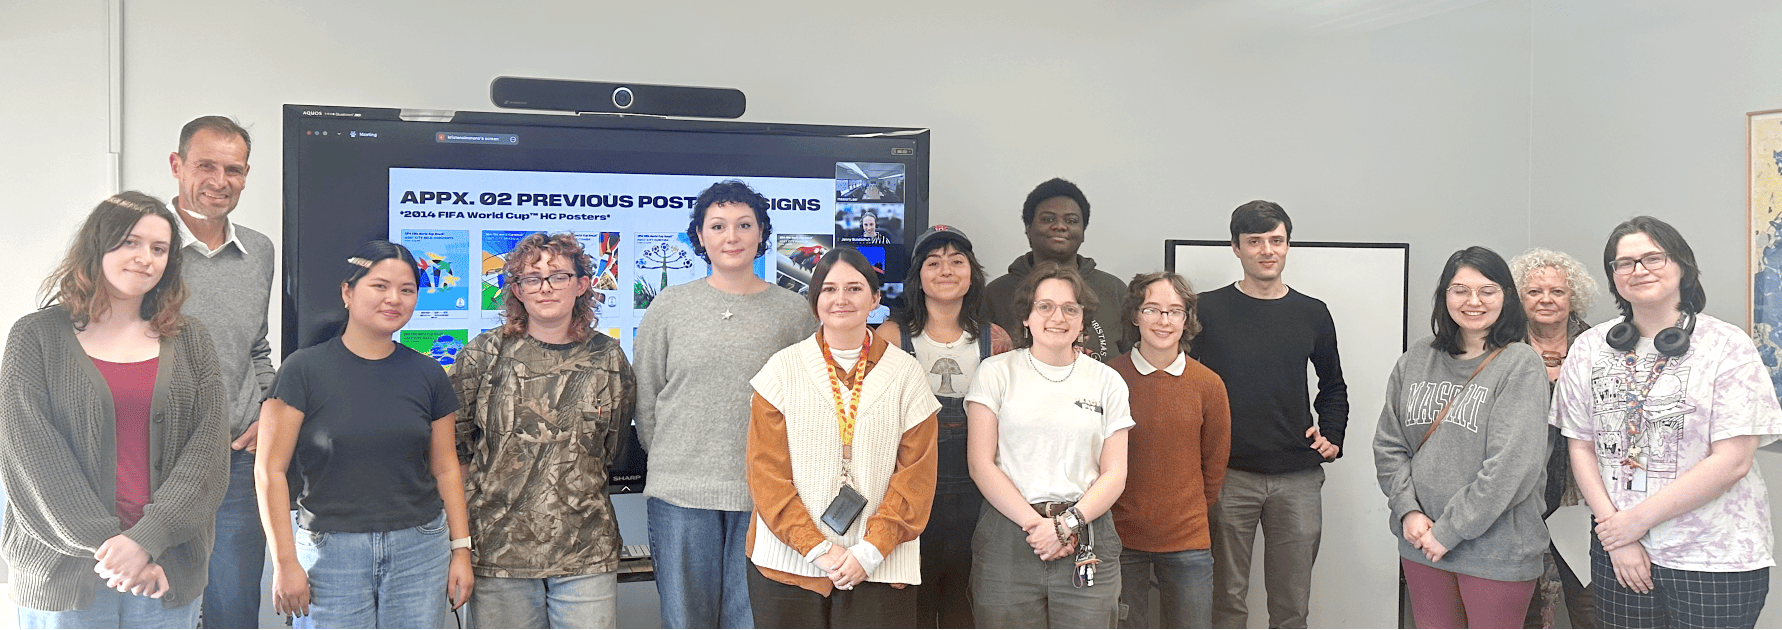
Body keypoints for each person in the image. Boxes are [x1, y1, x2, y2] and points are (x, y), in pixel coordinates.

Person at [0, 192, 227, 628]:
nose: (145, 258)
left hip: (166, 571)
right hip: (63, 575)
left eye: (159, 249)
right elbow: (31, 460)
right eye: (130, 242)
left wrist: (146, 541)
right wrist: (116, 550)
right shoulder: (36, 336)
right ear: (98, 245)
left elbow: (208, 454)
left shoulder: (192, 339)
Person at [1553, 216, 1781, 629]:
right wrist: (1616, 534)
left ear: (1682, 266)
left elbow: (1732, 461)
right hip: (1619, 551)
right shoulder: (1588, 348)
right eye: (1624, 263)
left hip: (1713, 556)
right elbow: (1580, 444)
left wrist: (1633, 523)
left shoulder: (1728, 346)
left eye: (1652, 257)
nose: (1638, 270)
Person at [255, 241, 474, 628]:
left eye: (407, 290)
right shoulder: (302, 370)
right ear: (347, 291)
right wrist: (285, 563)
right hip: (330, 553)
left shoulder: (429, 375)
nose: (394, 299)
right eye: (380, 286)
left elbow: (446, 469)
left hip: (420, 549)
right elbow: (269, 472)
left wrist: (461, 551)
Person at [633, 180, 818, 629]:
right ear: (699, 236)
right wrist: (676, 457)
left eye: (743, 225)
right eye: (717, 226)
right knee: (685, 621)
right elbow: (647, 397)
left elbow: (808, 401)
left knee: (751, 622)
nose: (730, 236)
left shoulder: (794, 311)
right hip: (680, 493)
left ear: (761, 234)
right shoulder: (669, 305)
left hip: (766, 494)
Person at [744, 247, 941, 628]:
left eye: (854, 288)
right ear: (814, 299)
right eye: (829, 289)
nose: (841, 299)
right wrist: (818, 549)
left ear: (875, 298)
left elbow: (915, 477)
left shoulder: (907, 374)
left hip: (881, 566)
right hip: (789, 565)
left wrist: (869, 552)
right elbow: (765, 473)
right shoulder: (781, 370)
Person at [451, 232, 635, 629]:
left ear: (583, 284)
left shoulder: (608, 357)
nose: (545, 288)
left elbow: (613, 447)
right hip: (498, 549)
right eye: (531, 279)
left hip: (585, 548)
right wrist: (460, 544)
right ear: (516, 290)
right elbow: (457, 449)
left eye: (559, 276)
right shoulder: (483, 354)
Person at [1374, 246, 1551, 629]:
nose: (1473, 301)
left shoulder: (1521, 364)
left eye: (1487, 290)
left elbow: (1510, 468)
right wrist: (1408, 510)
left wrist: (1449, 531)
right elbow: (1390, 445)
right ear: (1445, 296)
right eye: (1460, 290)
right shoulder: (1417, 357)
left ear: (1506, 296)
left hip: (1496, 552)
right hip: (1421, 542)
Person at [1190, 200, 1347, 629]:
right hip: (1227, 475)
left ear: (1288, 245)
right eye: (1254, 241)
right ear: (1236, 248)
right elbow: (1185, 387)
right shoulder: (1206, 310)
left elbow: (1333, 385)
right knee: (1226, 599)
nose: (1266, 250)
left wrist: (1332, 433)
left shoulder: (1312, 312)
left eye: (1276, 240)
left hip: (1296, 476)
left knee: (1292, 605)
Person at [967, 261, 1134, 628]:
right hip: (1009, 534)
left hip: (1086, 534)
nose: (1057, 317)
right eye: (1044, 306)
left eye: (1070, 308)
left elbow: (1115, 472)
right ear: (1026, 316)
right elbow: (981, 464)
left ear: (1082, 319)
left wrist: (1066, 524)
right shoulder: (996, 373)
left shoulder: (1107, 381)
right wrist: (1038, 526)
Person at [165, 115, 278, 630]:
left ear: (247, 174)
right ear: (177, 166)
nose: (219, 180)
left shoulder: (259, 251)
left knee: (234, 608)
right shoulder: (143, 247)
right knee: (160, 603)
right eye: (205, 165)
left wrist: (268, 412)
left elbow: (255, 344)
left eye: (233, 169)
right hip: (157, 456)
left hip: (235, 459)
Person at [874, 225, 1014, 628]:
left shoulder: (997, 341)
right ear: (918, 276)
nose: (946, 270)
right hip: (909, 495)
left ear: (972, 273)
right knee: (911, 606)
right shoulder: (891, 337)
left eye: (957, 261)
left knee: (967, 605)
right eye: (933, 263)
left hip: (979, 498)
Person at [1109, 272, 1231, 629]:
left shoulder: (1208, 385)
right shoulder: (1107, 378)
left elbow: (1214, 465)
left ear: (1186, 319)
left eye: (1174, 311)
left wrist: (1184, 510)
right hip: (1119, 539)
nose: (1164, 321)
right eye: (1152, 310)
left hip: (1187, 539)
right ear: (1135, 316)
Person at [1508, 247, 1598, 629]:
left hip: (1585, 498)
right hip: (1517, 499)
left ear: (1572, 296)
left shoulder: (1600, 347)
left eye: (1558, 291)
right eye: (1534, 291)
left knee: (1593, 610)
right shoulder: (1503, 348)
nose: (1546, 299)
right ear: (1519, 298)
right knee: (1521, 611)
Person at [984, 178, 1128, 362]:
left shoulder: (1114, 290)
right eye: (1048, 219)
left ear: (1083, 232)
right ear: (1028, 229)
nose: (1060, 226)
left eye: (1071, 220)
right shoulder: (996, 294)